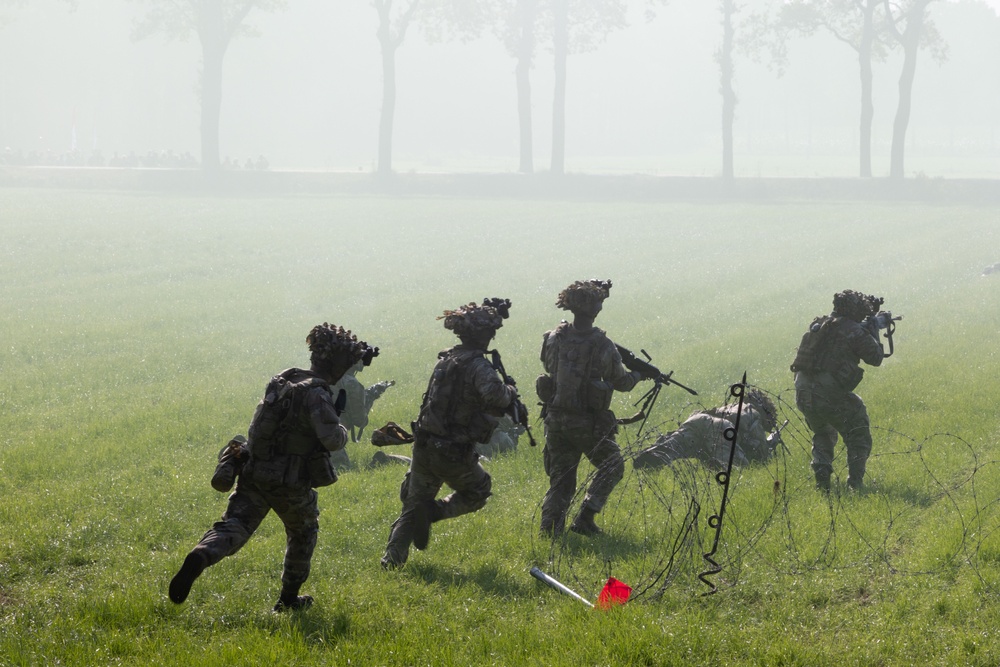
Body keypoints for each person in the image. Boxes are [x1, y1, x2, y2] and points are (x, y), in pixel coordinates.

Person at [169, 323, 377, 611]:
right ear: (336, 364)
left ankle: (202, 554)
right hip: (289, 481)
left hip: (254, 469)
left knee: (236, 524)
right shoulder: (316, 393)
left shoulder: (284, 378)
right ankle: (288, 599)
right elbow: (332, 440)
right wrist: (340, 427)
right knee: (303, 533)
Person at [381, 299, 518, 569]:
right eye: (490, 332)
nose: (492, 336)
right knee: (478, 491)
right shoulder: (478, 366)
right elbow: (496, 395)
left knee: (412, 505)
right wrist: (511, 390)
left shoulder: (447, 359)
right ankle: (433, 511)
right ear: (481, 334)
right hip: (453, 451)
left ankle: (391, 561)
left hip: (425, 444)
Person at [536, 279, 644, 537]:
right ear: (594, 309)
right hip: (587, 424)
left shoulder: (553, 338)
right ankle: (585, 517)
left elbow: (548, 365)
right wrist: (639, 375)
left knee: (561, 479)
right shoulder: (603, 345)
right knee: (613, 465)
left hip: (555, 420)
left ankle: (549, 532)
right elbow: (622, 382)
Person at [791, 290, 885, 490]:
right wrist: (874, 328)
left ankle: (822, 480)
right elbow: (876, 357)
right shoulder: (854, 330)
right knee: (858, 429)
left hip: (803, 394)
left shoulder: (819, 325)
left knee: (823, 433)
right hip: (827, 394)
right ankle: (855, 483)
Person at [632, 389, 780, 470]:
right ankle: (720, 465)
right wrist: (770, 445)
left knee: (676, 447)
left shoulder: (731, 407)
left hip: (698, 420)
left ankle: (657, 452)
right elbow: (762, 455)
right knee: (741, 468)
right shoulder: (752, 413)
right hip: (722, 428)